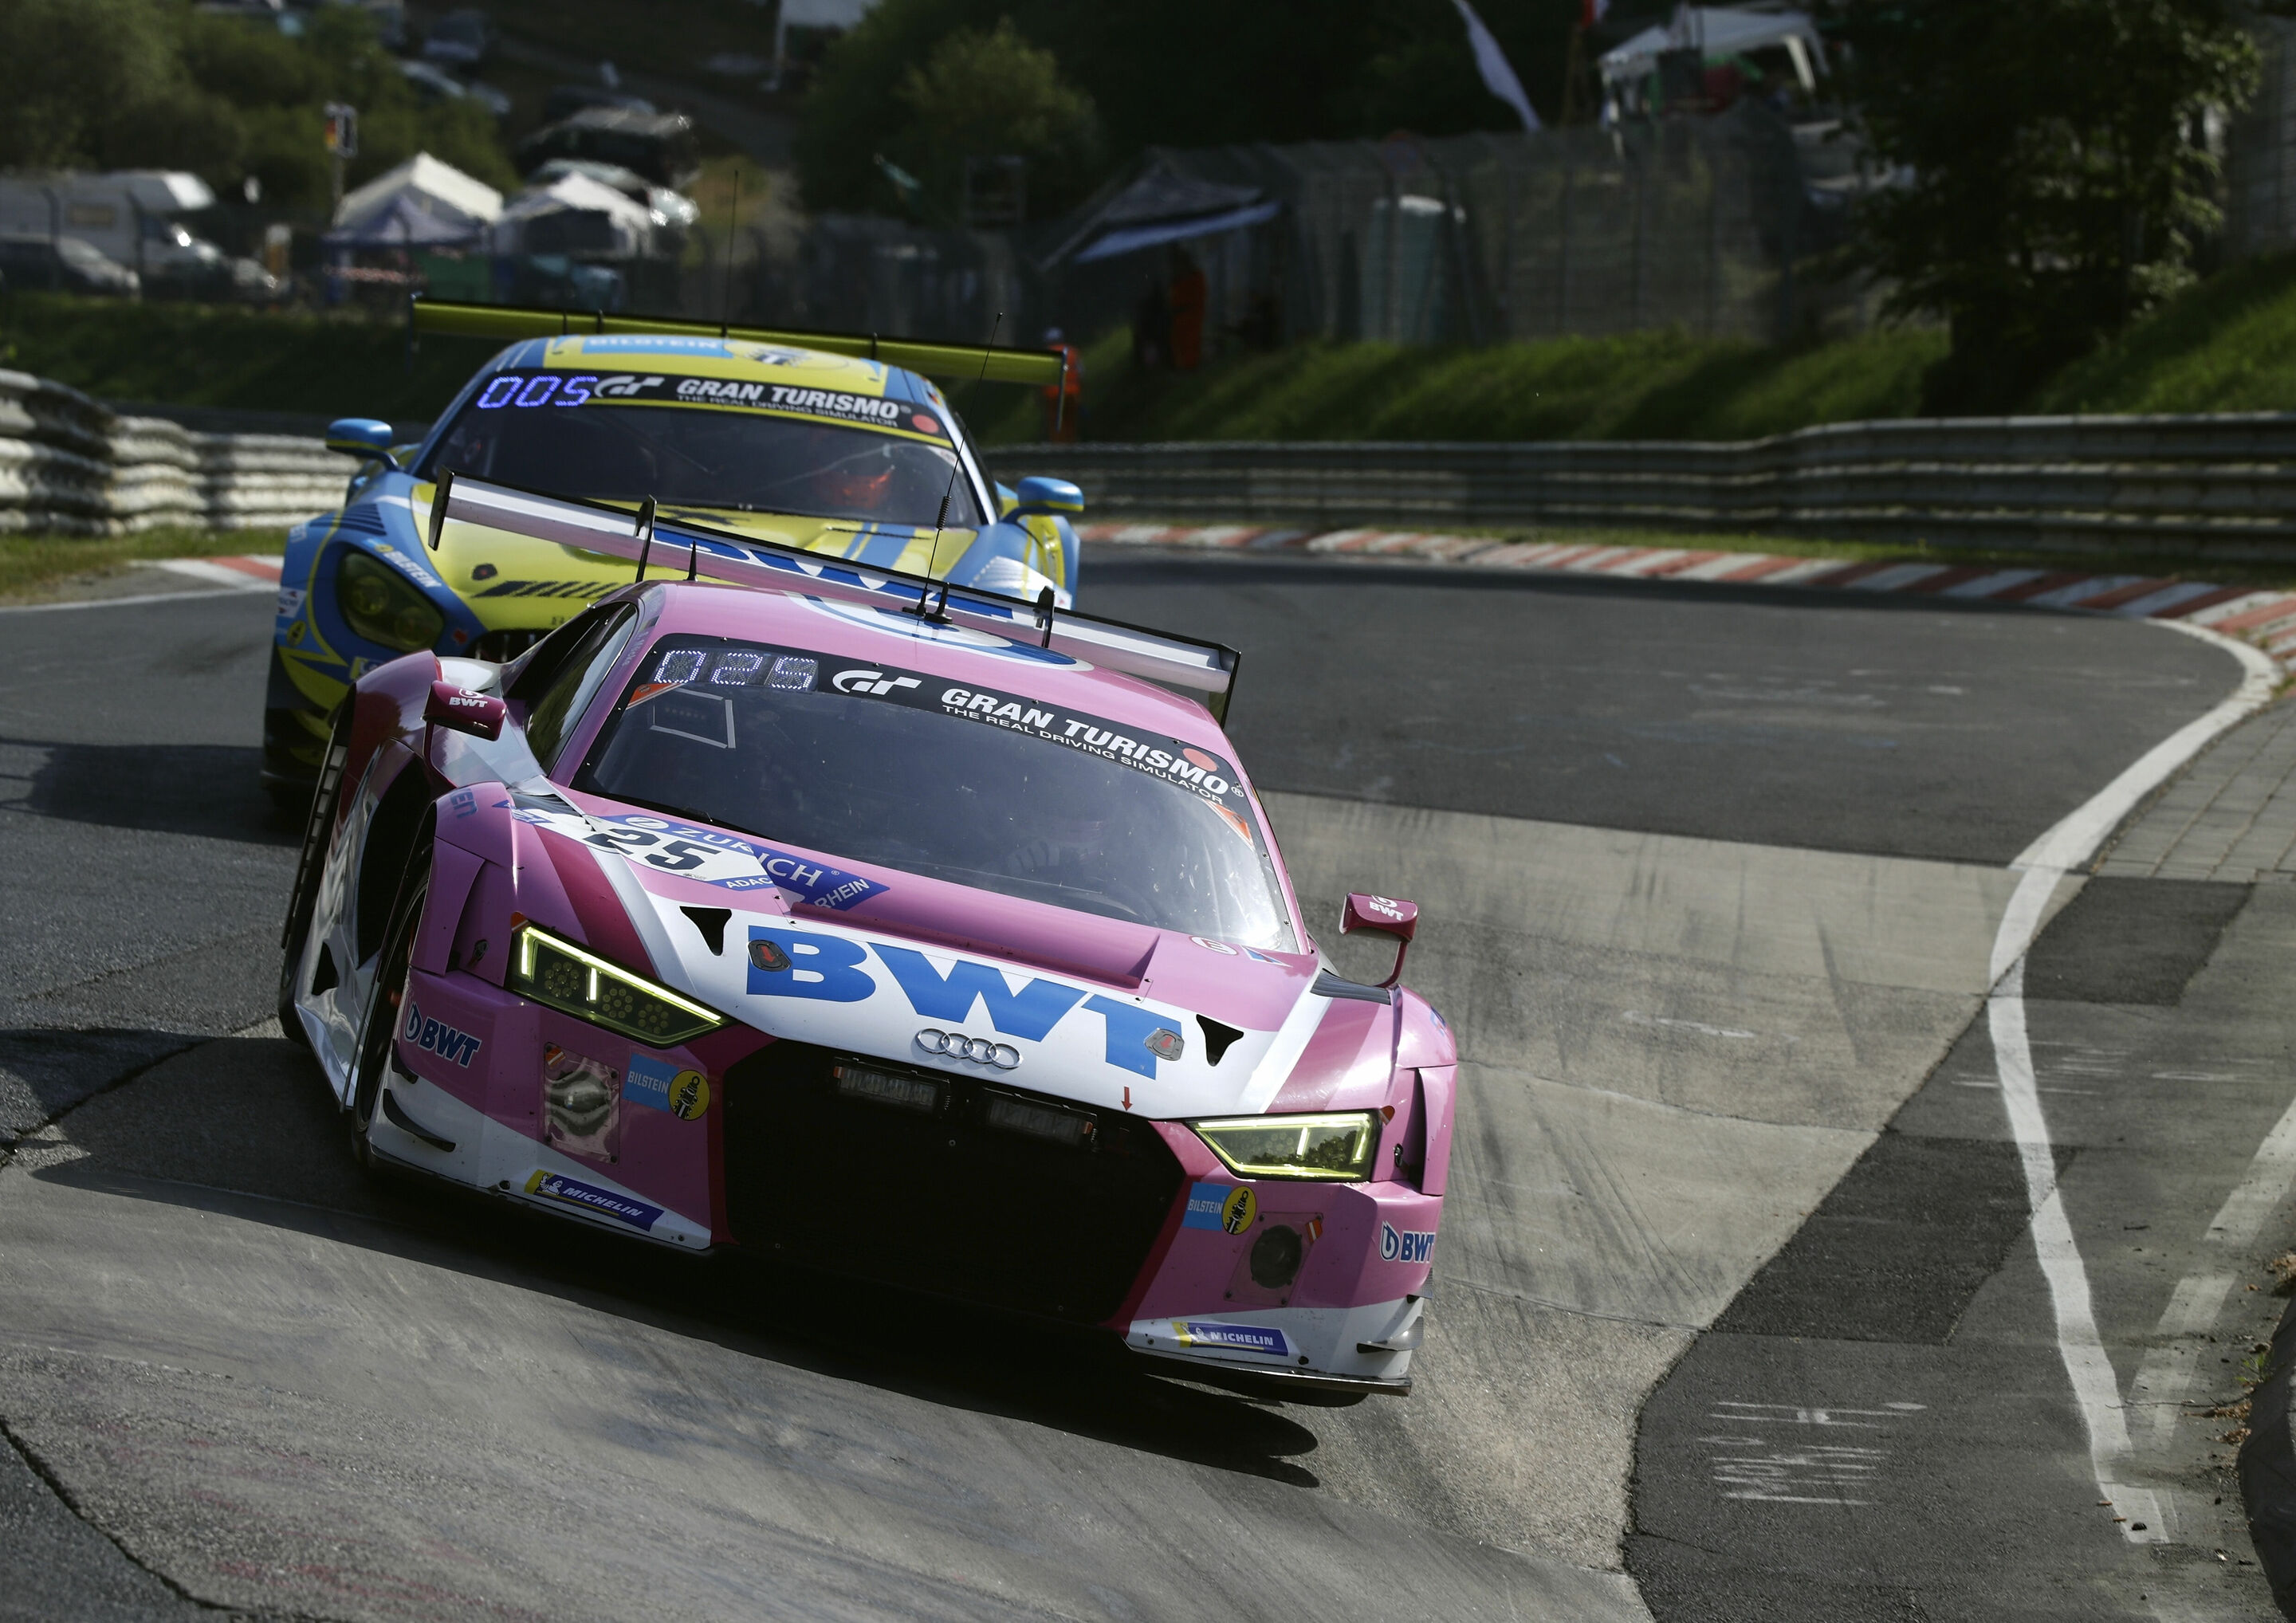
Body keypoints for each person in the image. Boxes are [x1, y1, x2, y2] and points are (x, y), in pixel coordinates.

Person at [1040, 326, 1083, 442]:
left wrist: (1039, 396)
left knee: (1056, 425)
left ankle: (1059, 447)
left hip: (1053, 395)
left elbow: (1041, 377)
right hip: (1072, 394)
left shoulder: (1046, 354)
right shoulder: (1072, 352)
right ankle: (1071, 445)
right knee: (1071, 422)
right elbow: (1081, 374)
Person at [1167, 250, 1207, 371]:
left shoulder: (1196, 277)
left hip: (1191, 316)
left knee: (1191, 341)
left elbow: (1198, 297)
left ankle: (1191, 365)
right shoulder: (1177, 281)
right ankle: (1182, 366)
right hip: (1179, 317)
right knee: (1179, 341)